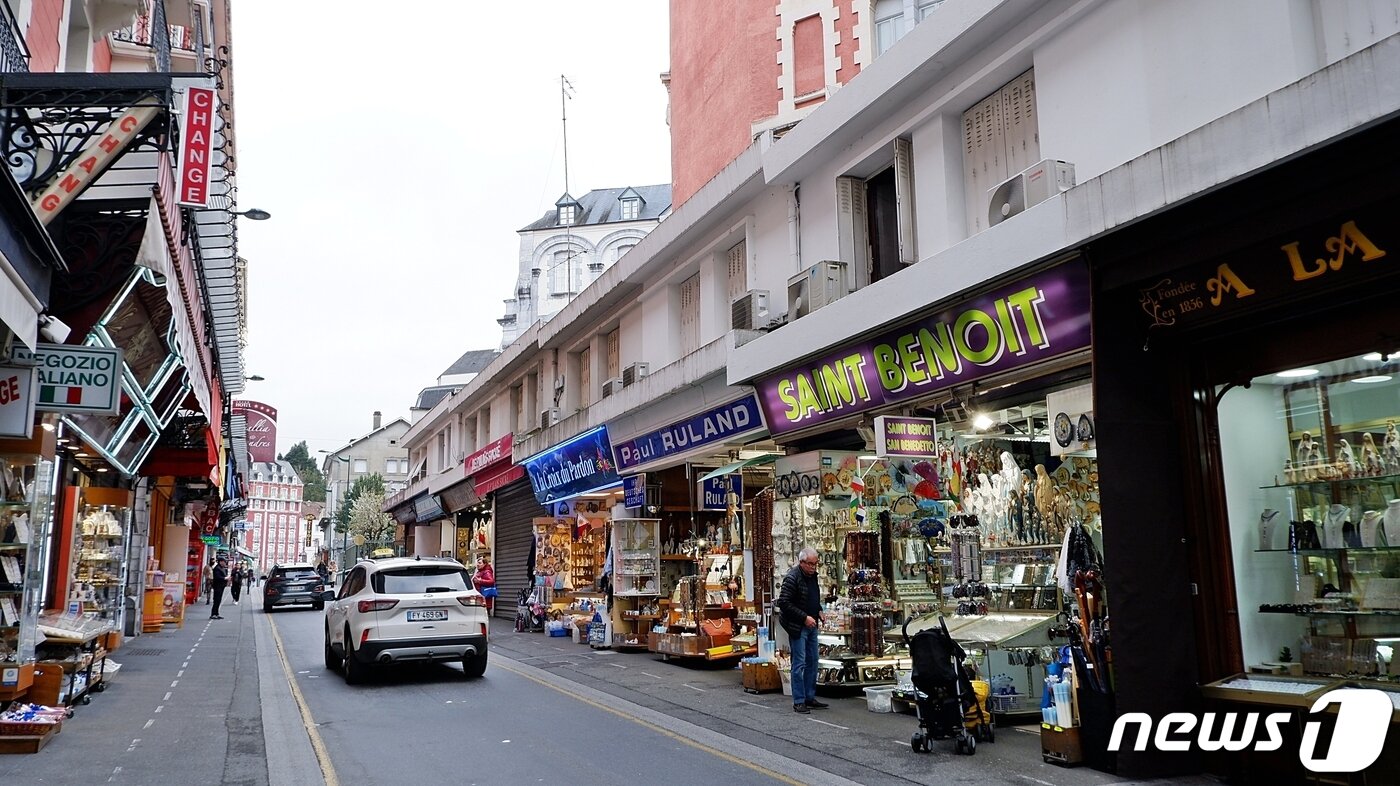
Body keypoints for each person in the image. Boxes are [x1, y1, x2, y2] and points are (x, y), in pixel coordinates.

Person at [775, 546, 827, 713]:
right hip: (798, 626)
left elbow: (812, 597)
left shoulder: (812, 577)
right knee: (800, 663)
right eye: (810, 564)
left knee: (813, 661)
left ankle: (809, 697)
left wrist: (818, 610)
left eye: (815, 564)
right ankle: (799, 700)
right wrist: (804, 617)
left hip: (811, 624)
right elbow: (784, 602)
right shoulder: (792, 578)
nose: (813, 567)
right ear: (801, 562)